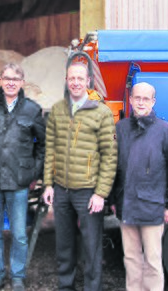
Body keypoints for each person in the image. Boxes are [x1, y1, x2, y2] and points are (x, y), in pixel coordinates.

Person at [0, 63, 46, 291]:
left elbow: (43, 147)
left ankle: (18, 276)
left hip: (19, 182)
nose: (11, 82)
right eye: (6, 78)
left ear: (22, 82)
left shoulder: (32, 110)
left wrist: (34, 174)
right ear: (1, 80)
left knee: (20, 234)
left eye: (15, 78)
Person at [42, 61, 117, 291]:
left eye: (80, 79)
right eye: (71, 78)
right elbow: (51, 149)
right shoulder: (57, 109)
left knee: (91, 244)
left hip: (88, 192)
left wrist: (101, 193)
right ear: (67, 81)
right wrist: (48, 184)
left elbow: (109, 155)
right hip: (62, 190)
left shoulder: (101, 112)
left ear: (88, 82)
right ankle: (66, 286)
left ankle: (92, 287)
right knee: (64, 243)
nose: (75, 82)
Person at [110, 82, 168, 291]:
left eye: (146, 99)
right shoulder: (121, 128)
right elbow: (114, 167)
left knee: (152, 260)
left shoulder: (166, 131)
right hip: (126, 205)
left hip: (153, 206)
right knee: (131, 258)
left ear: (153, 102)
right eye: (137, 98)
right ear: (131, 100)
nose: (141, 102)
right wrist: (114, 200)